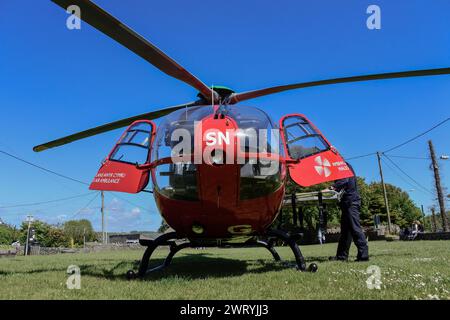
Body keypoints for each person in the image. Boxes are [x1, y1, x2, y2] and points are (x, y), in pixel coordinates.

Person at [329, 162, 369, 262]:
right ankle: (341, 256)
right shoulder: (342, 165)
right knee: (346, 232)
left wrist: (333, 187)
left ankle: (363, 256)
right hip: (348, 202)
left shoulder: (341, 165)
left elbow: (344, 180)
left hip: (351, 202)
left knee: (355, 228)